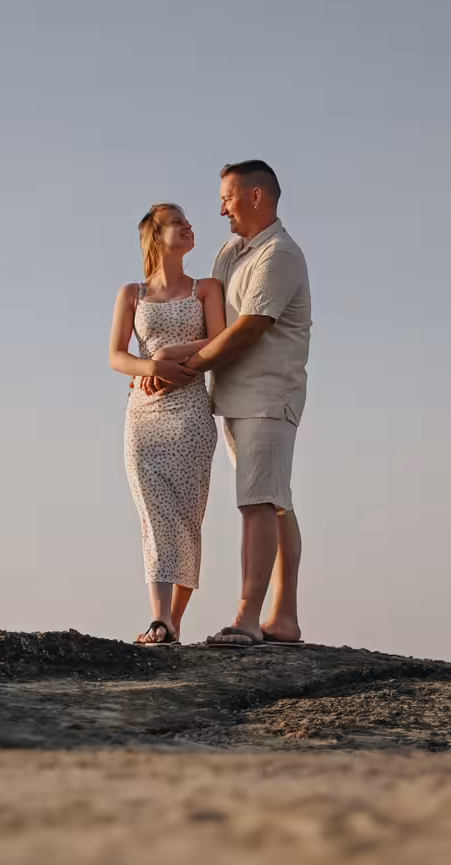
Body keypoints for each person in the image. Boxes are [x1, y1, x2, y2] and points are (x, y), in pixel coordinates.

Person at [176, 160, 312, 647]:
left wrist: (189, 366)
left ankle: (248, 618)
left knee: (259, 504)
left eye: (227, 197)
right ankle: (284, 618)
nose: (220, 208)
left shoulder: (279, 254)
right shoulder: (231, 253)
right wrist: (163, 360)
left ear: (256, 196)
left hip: (267, 397)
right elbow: (212, 326)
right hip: (233, 398)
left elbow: (251, 328)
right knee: (275, 504)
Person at [107, 203, 227, 644]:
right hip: (143, 415)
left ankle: (173, 620)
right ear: (156, 236)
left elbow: (220, 342)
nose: (189, 226)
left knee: (186, 518)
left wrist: (168, 358)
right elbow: (117, 356)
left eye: (188, 221)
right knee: (153, 514)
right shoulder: (131, 294)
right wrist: (149, 367)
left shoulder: (206, 289)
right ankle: (160, 619)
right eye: (178, 222)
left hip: (191, 413)